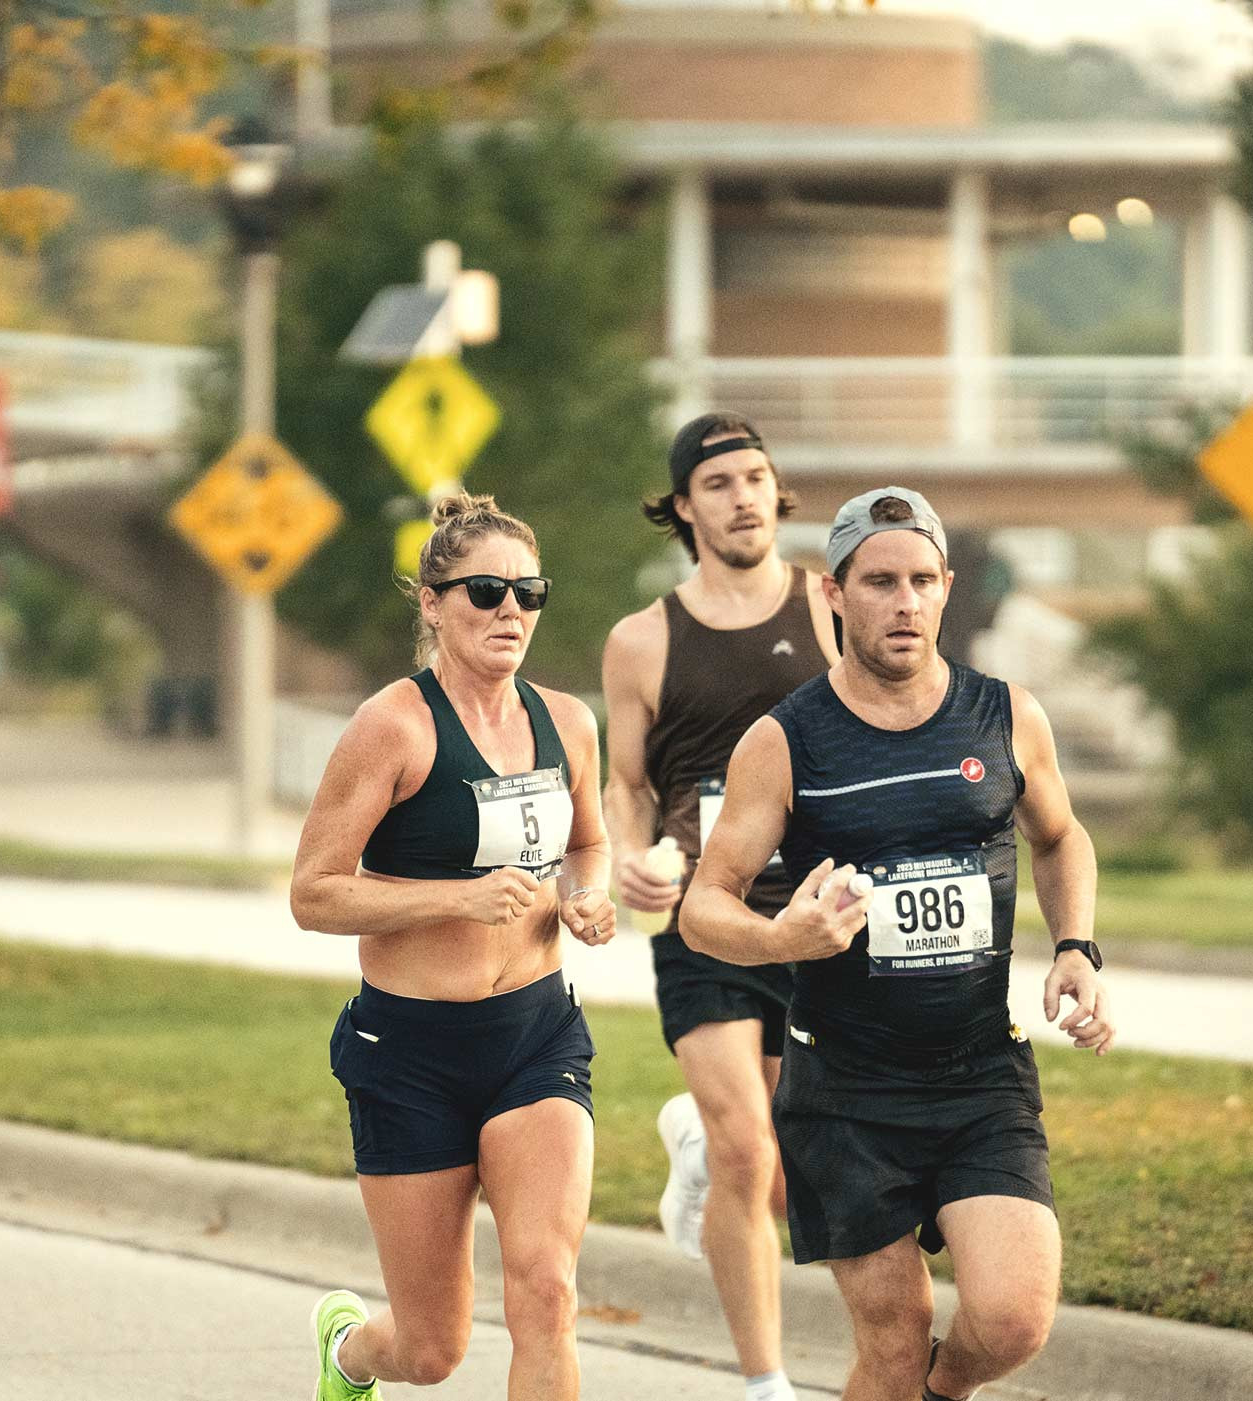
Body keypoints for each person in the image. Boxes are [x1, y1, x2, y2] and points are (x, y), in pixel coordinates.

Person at [682, 486, 1114, 1401]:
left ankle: (937, 1392)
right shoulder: (787, 739)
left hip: (977, 1074)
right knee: (891, 1336)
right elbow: (703, 906)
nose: (904, 601)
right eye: (880, 581)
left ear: (948, 588)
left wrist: (1076, 945)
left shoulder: (1005, 715)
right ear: (835, 594)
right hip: (845, 1089)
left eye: (922, 579)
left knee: (1011, 1318)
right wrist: (780, 935)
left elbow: (1060, 835)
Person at [289, 491, 618, 1401]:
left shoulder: (568, 723)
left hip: (535, 1036)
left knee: (547, 1291)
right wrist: (457, 900)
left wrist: (585, 898)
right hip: (411, 1052)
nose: (511, 610)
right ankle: (351, 1352)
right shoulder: (393, 726)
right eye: (485, 591)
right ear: (432, 602)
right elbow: (313, 893)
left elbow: (588, 843)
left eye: (529, 592)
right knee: (432, 1349)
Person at [601, 412, 838, 1401]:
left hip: (822, 918)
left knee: (784, 1170)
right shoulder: (643, 639)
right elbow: (625, 787)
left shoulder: (831, 606)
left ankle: (688, 1137)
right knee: (747, 1148)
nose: (743, 496)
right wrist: (626, 859)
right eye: (719, 483)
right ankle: (765, 1385)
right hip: (706, 920)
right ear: (684, 509)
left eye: (756, 477)